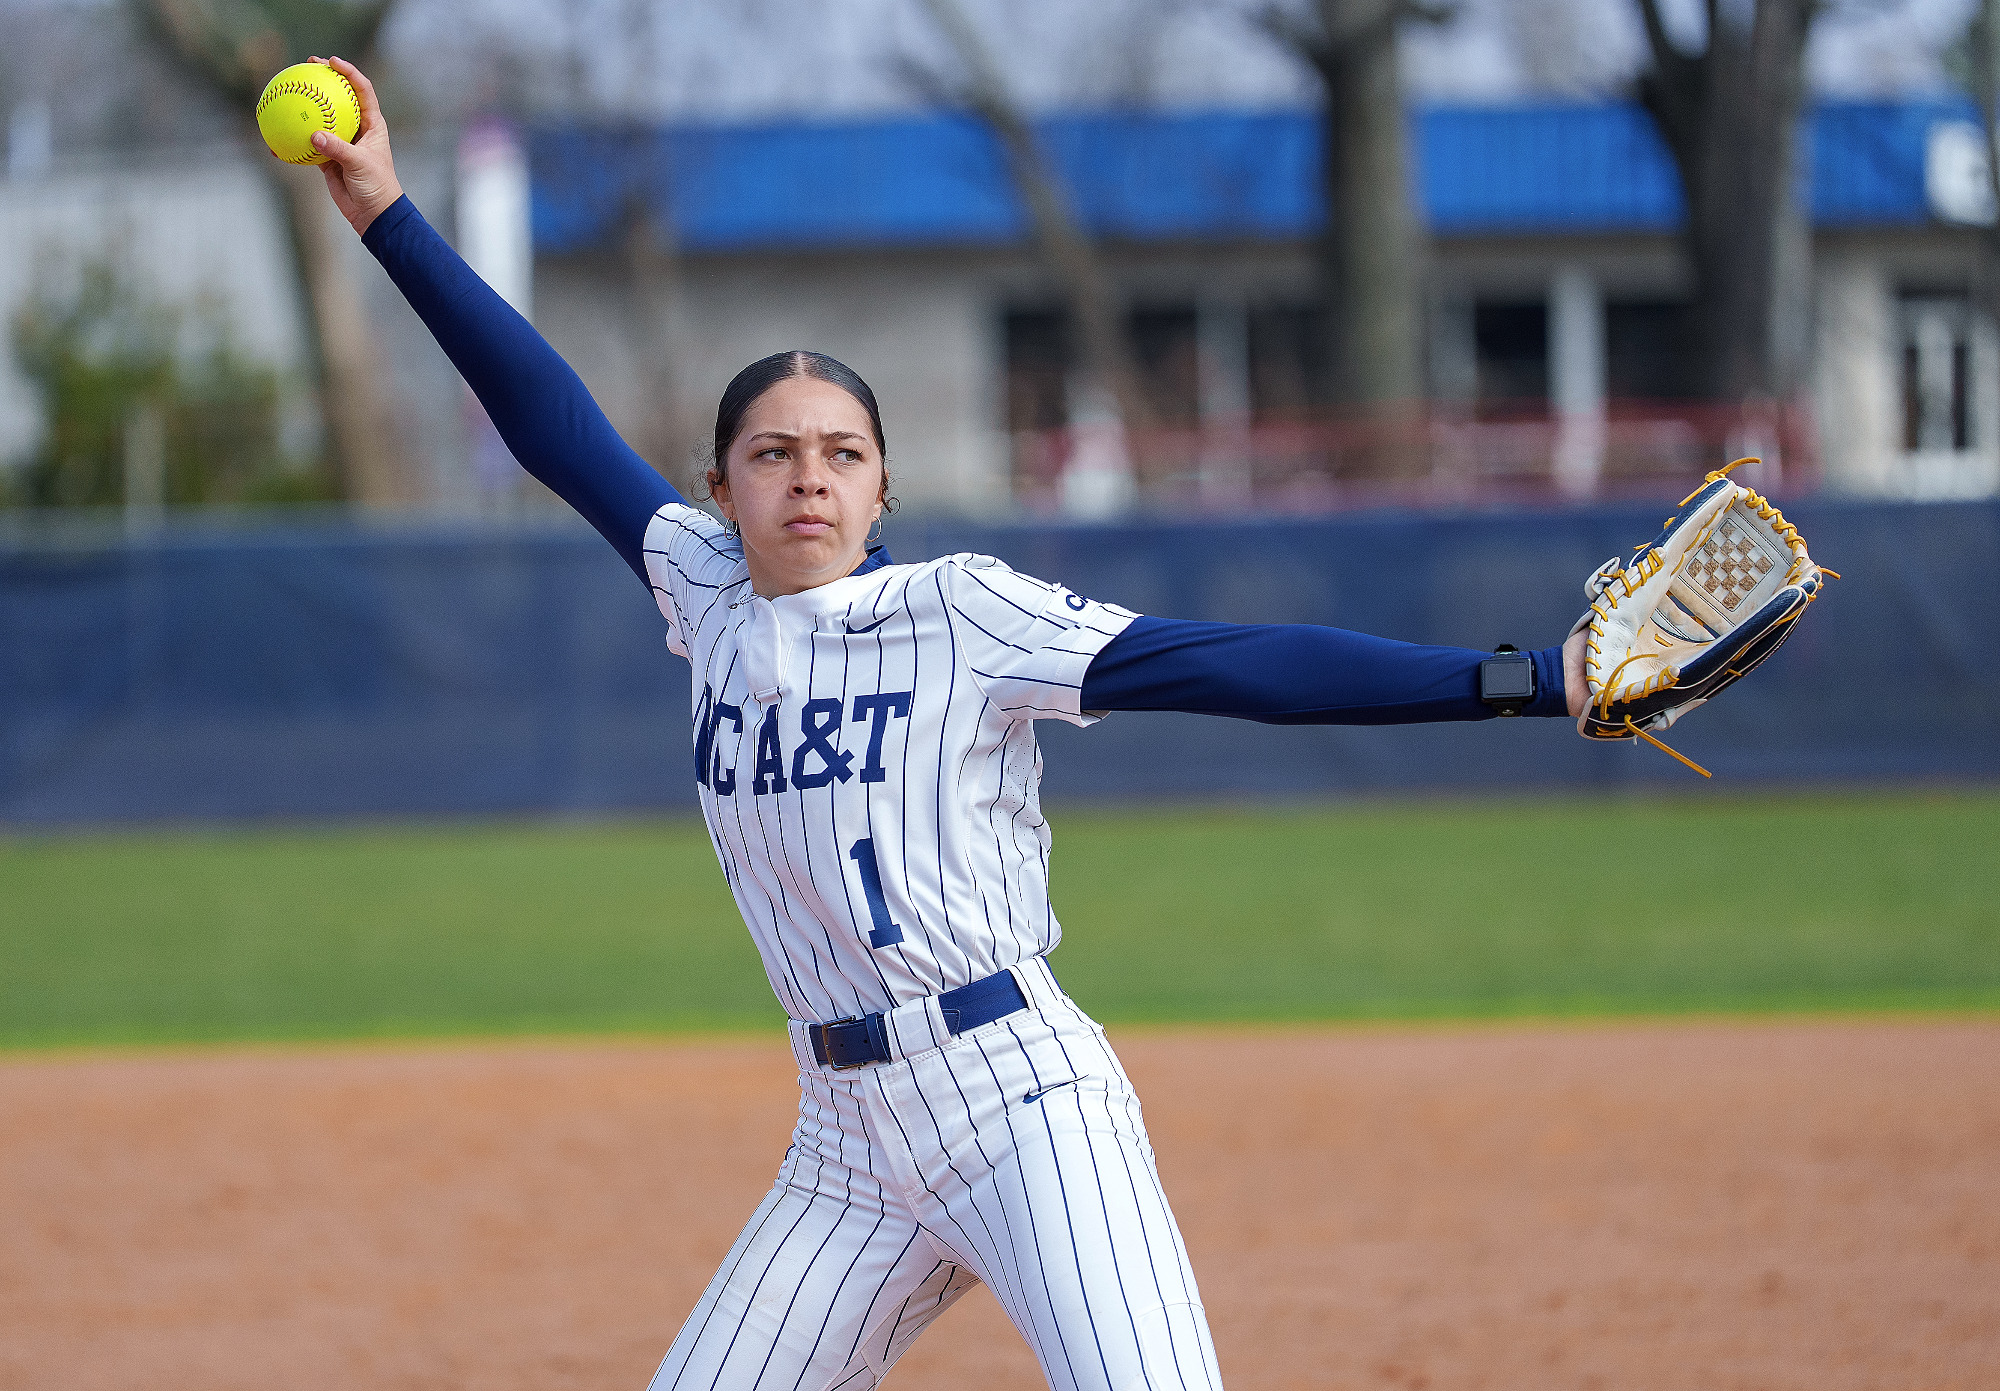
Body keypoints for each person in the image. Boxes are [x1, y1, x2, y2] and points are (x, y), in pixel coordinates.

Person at [302, 57, 1587, 1391]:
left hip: (1021, 1104)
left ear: (882, 486)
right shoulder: (699, 584)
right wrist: (387, 207)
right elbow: (547, 417)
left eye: (842, 452)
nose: (809, 476)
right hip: (843, 1145)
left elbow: (1239, 664)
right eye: (774, 452)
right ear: (720, 486)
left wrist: (1530, 679)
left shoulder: (964, 612)